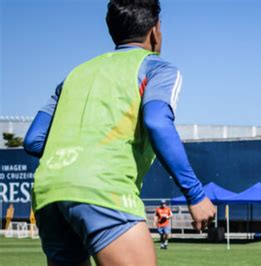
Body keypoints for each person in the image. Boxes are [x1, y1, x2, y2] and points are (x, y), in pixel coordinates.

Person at [23, 1, 215, 265]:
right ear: (155, 31)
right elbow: (158, 121)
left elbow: (33, 140)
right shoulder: (156, 68)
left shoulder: (74, 75)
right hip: (104, 188)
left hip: (48, 191)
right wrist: (195, 194)